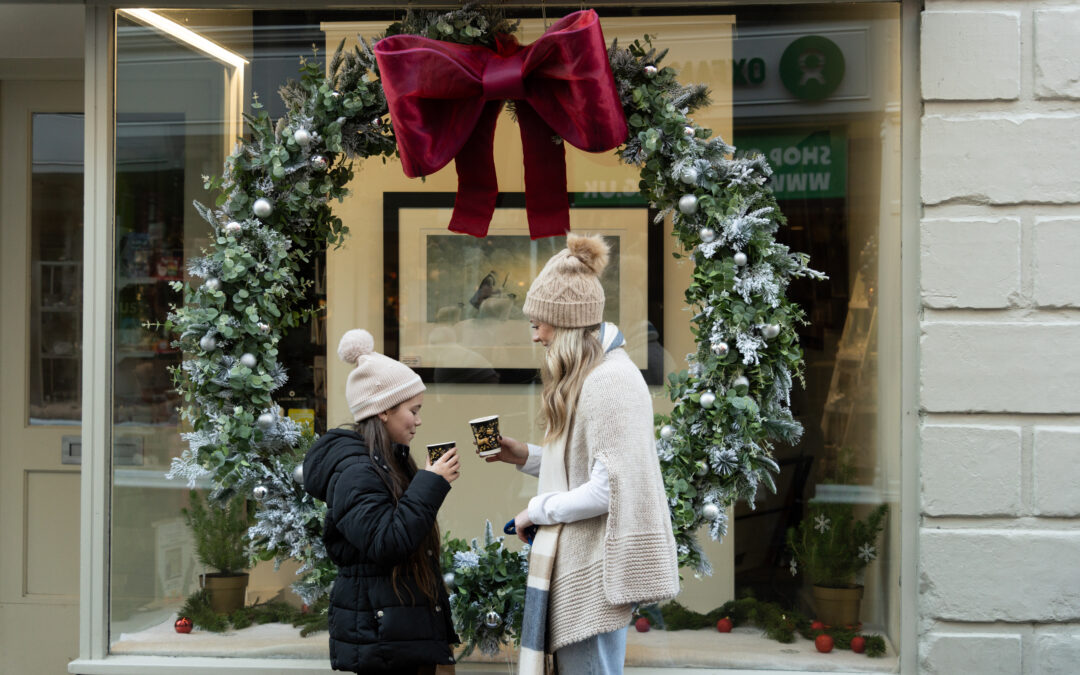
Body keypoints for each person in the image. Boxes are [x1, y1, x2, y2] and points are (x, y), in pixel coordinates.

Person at [485, 234, 679, 674]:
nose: (535, 335)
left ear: (566, 323)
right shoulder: (592, 375)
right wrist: (526, 457)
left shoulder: (610, 382)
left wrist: (537, 510)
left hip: (596, 572)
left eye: (540, 323)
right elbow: (585, 466)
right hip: (584, 565)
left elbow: (607, 489)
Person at [303, 328, 461, 674]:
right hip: (383, 639)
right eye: (413, 410)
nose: (419, 420)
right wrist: (430, 485)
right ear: (384, 411)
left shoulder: (386, 461)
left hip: (399, 631)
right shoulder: (355, 471)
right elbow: (386, 542)